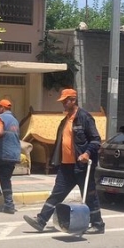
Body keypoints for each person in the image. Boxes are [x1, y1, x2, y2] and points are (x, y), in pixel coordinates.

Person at [23, 88, 105, 234]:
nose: (63, 104)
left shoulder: (85, 118)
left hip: (82, 166)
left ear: (73, 100)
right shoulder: (65, 120)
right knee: (57, 193)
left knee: (89, 196)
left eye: (65, 101)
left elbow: (96, 140)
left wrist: (87, 153)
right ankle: (41, 220)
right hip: (66, 166)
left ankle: (98, 224)